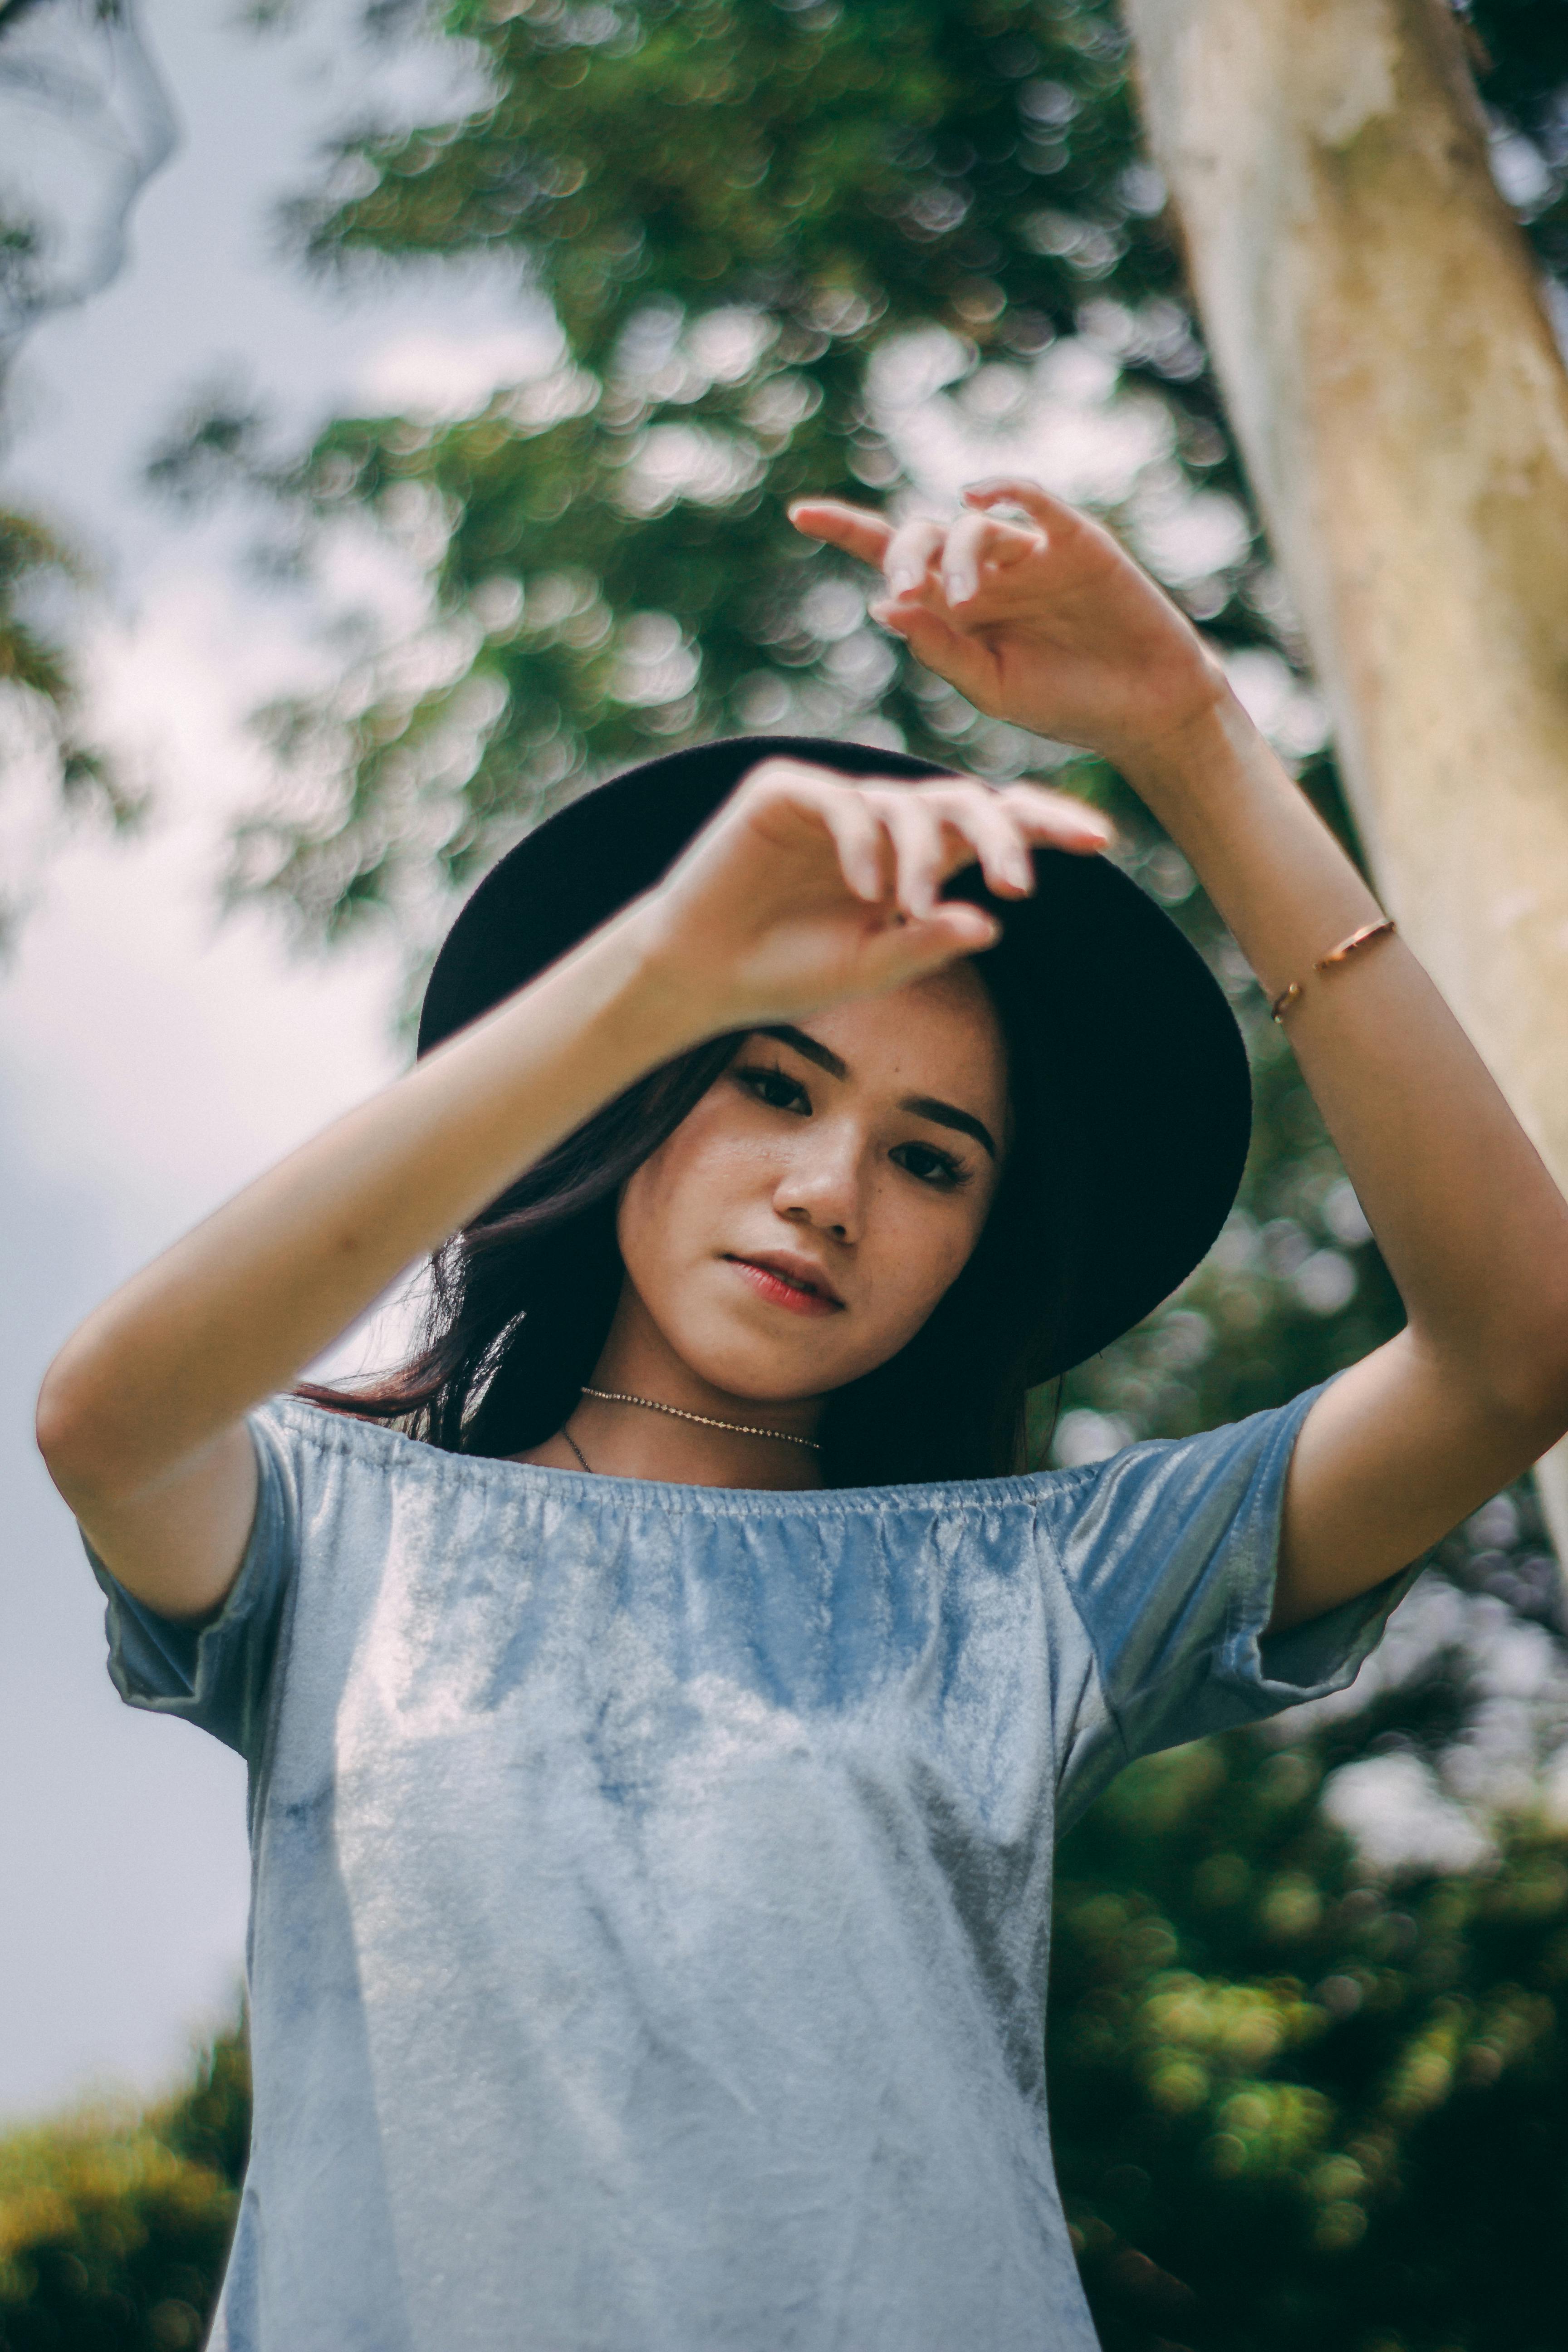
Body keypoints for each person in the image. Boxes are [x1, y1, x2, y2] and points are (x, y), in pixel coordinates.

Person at [37, 480, 1568, 2352]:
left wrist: (1194, 739)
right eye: (771, 1080)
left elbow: (1516, 1351)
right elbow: (102, 1419)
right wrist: (658, 973)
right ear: (635, 1090)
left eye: (930, 1157)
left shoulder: (1038, 1592)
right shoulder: (330, 1534)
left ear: (981, 1251)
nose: (832, 1188)